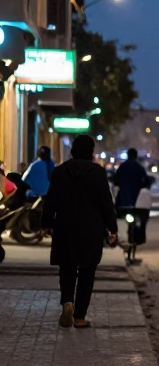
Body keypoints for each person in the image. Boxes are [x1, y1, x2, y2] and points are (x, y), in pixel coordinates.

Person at [42, 135, 119, 328]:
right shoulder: (98, 173)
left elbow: (50, 200)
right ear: (91, 152)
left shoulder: (59, 172)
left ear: (73, 150)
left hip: (65, 227)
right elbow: (106, 203)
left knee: (67, 268)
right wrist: (113, 228)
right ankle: (80, 317)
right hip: (91, 230)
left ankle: (68, 302)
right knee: (87, 271)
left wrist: (46, 223)